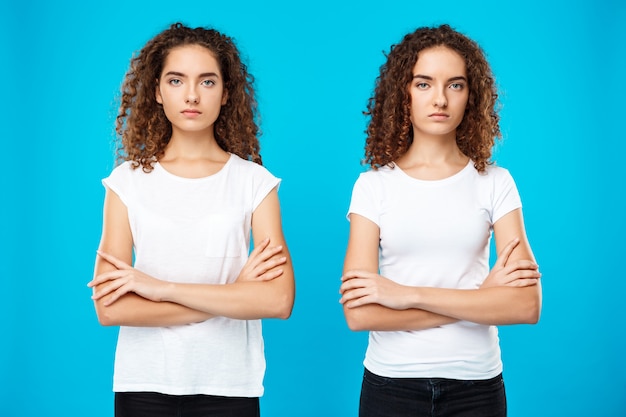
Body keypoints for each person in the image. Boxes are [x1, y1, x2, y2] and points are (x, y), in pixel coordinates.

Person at [88, 23, 294, 417]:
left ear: (226, 92)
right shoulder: (126, 182)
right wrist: (232, 296)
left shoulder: (255, 182)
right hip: (144, 384)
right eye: (177, 80)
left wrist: (158, 288)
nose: (192, 95)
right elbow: (110, 308)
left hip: (230, 385)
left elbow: (278, 299)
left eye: (208, 81)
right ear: (157, 92)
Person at [339, 24, 542, 417]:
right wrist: (481, 298)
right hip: (391, 385)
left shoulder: (496, 183)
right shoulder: (372, 187)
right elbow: (358, 313)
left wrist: (408, 294)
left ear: (471, 95)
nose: (440, 99)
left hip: (476, 386)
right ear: (404, 94)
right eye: (424, 83)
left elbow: (525, 305)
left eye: (455, 85)